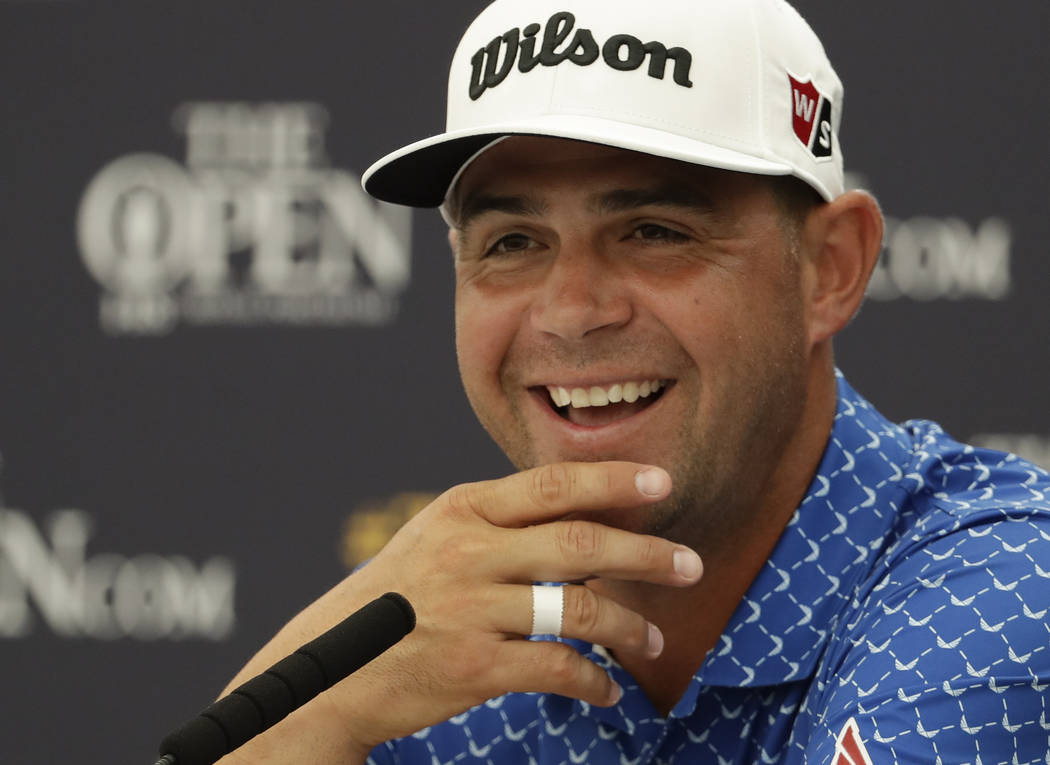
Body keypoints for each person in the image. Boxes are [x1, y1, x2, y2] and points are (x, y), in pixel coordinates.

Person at [218, 0, 1050, 762]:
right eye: (512, 241)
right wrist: (309, 713)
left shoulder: (1006, 592)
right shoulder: (432, 660)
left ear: (829, 269)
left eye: (654, 230)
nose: (571, 312)